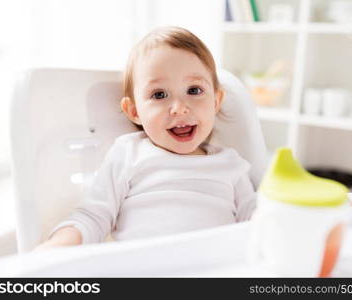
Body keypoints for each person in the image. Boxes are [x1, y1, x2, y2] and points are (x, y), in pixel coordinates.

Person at [35, 26, 256, 250]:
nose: (179, 108)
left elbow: (256, 221)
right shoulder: (128, 154)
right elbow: (94, 215)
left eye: (194, 90)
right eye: (159, 95)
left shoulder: (231, 164)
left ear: (216, 102)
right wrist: (58, 244)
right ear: (134, 112)